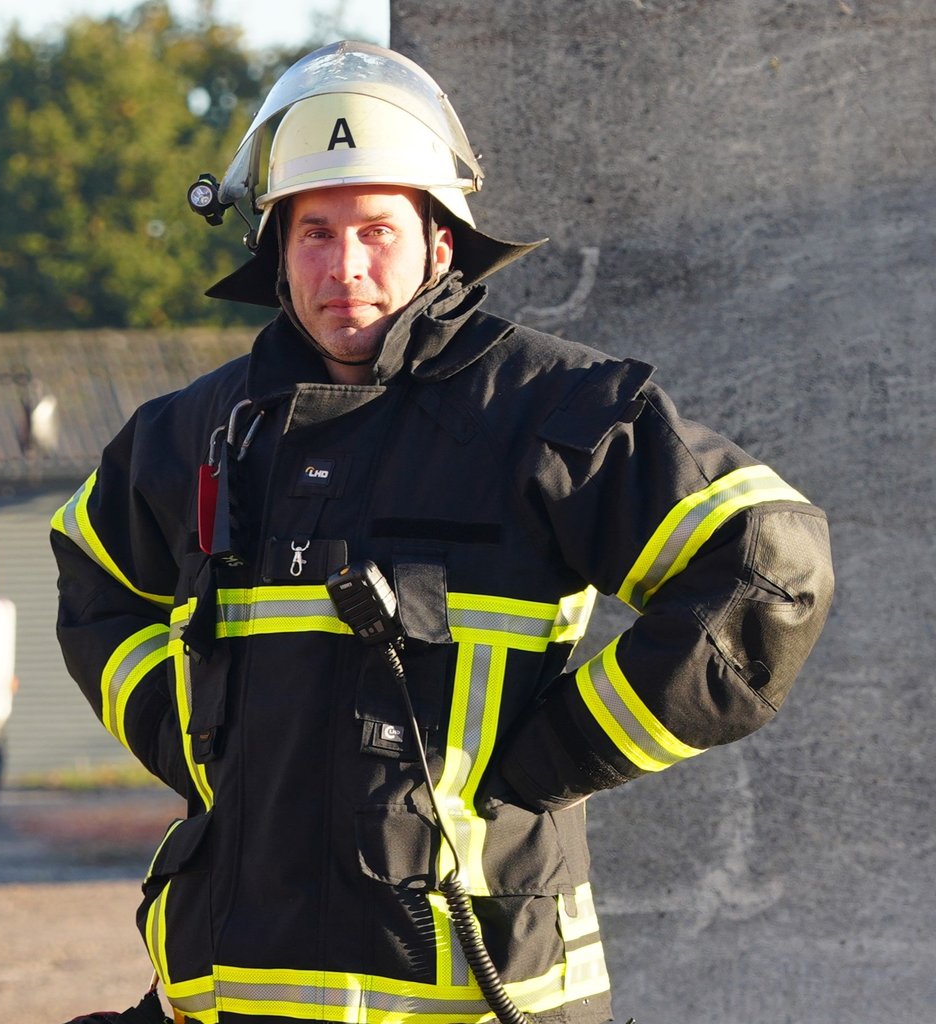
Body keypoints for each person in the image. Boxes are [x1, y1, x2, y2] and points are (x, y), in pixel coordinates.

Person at [51, 41, 834, 1024]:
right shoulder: (193, 434)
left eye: (378, 230)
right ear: (274, 250)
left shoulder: (547, 414)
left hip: (474, 991)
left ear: (440, 243)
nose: (344, 266)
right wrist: (211, 746)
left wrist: (547, 763)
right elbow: (92, 579)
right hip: (233, 995)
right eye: (314, 232)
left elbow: (770, 566)